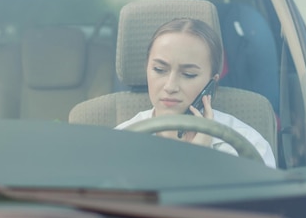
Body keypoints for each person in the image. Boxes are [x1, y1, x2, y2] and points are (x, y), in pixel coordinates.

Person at [115, 18, 276, 168]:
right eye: (159, 70)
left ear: (211, 83)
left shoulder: (248, 148)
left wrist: (202, 159)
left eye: (189, 74)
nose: (170, 87)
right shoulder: (117, 143)